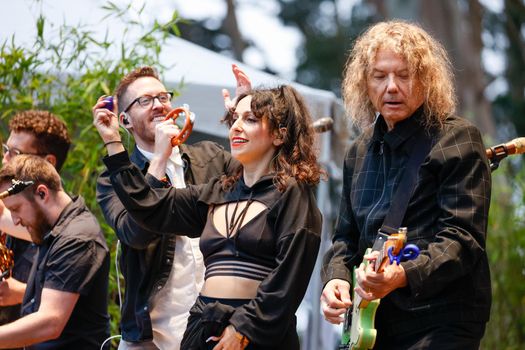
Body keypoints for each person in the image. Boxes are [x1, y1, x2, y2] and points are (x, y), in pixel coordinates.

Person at [94, 83, 323, 349]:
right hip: (198, 326)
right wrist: (113, 142)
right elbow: (148, 208)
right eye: (234, 119)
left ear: (279, 135)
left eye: (249, 120)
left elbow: (289, 278)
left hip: (255, 332)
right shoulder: (220, 190)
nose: (235, 126)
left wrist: (243, 328)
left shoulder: (290, 191)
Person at [320, 20, 491, 349]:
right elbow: (344, 238)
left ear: (426, 79)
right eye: (380, 76)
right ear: (364, 83)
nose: (391, 87)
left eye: (404, 74)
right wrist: (337, 279)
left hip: (441, 320)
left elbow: (462, 239)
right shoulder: (358, 153)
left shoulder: (456, 138)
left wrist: (403, 275)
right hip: (374, 325)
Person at [93, 65, 242, 350]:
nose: (159, 105)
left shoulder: (211, 156)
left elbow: (260, 182)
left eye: (163, 97)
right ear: (124, 120)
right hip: (152, 337)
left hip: (215, 328)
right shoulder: (113, 180)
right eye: (145, 101)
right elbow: (135, 235)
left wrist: (247, 120)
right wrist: (158, 163)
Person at [0, 155, 110, 349]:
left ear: (42, 193)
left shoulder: (77, 238)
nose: (15, 220)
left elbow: (50, 322)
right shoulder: (51, 229)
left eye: (16, 209)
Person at [0, 110, 71, 339]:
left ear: (48, 162)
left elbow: (62, 309)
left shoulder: (65, 223)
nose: (5, 160)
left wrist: (21, 292)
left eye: (15, 153)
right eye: (5, 150)